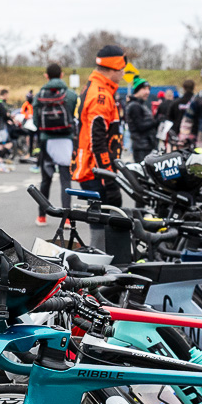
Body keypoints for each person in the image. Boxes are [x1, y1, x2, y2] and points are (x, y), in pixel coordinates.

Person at [72, 44, 127, 262]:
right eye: (122, 68)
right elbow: (98, 142)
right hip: (97, 171)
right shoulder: (101, 94)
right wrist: (109, 179)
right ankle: (100, 269)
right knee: (101, 219)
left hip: (92, 167)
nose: (124, 73)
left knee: (99, 217)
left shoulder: (94, 87)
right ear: (114, 67)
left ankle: (100, 265)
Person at [33, 62, 78, 226]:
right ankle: (67, 219)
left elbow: (36, 121)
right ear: (62, 74)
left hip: (47, 140)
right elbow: (74, 117)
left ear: (46, 76)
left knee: (46, 179)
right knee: (66, 179)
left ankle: (42, 216)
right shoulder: (71, 95)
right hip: (65, 140)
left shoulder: (39, 95)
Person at [124, 77, 159, 163]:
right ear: (137, 90)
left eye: (148, 89)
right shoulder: (135, 106)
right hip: (142, 148)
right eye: (144, 89)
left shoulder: (140, 104)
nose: (148, 92)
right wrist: (156, 122)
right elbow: (140, 127)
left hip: (146, 146)